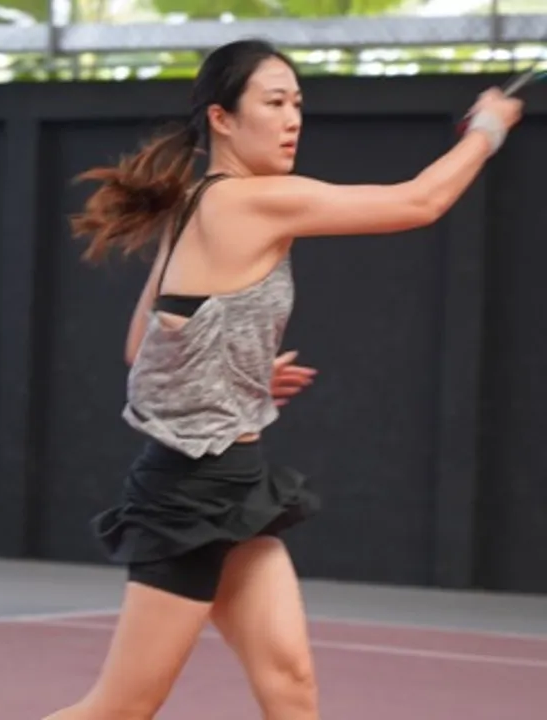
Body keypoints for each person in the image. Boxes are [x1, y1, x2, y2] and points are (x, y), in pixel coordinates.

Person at [43, 39, 523, 720]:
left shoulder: (194, 204)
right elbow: (420, 202)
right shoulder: (253, 201)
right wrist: (489, 128)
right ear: (222, 118)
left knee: (291, 686)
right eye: (274, 103)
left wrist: (231, 370)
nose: (293, 118)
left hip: (235, 485)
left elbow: (139, 348)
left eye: (298, 103)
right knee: (121, 708)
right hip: (187, 496)